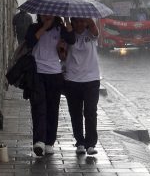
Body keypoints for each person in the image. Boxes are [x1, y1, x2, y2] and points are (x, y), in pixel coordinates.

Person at [25, 15, 75, 156]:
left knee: (52, 108)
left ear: (54, 15)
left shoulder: (60, 29)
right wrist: (44, 28)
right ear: (39, 15)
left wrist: (66, 22)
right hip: (37, 73)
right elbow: (29, 42)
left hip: (54, 73)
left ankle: (49, 142)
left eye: (50, 13)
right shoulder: (34, 28)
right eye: (43, 13)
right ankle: (39, 141)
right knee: (38, 106)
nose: (46, 16)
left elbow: (72, 40)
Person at [63, 18, 101, 155]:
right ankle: (80, 142)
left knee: (90, 111)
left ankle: (91, 143)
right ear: (73, 22)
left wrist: (88, 17)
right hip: (72, 79)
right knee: (75, 112)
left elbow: (95, 29)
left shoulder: (91, 34)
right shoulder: (68, 35)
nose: (80, 24)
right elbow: (61, 54)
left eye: (82, 22)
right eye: (77, 22)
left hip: (91, 79)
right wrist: (67, 29)